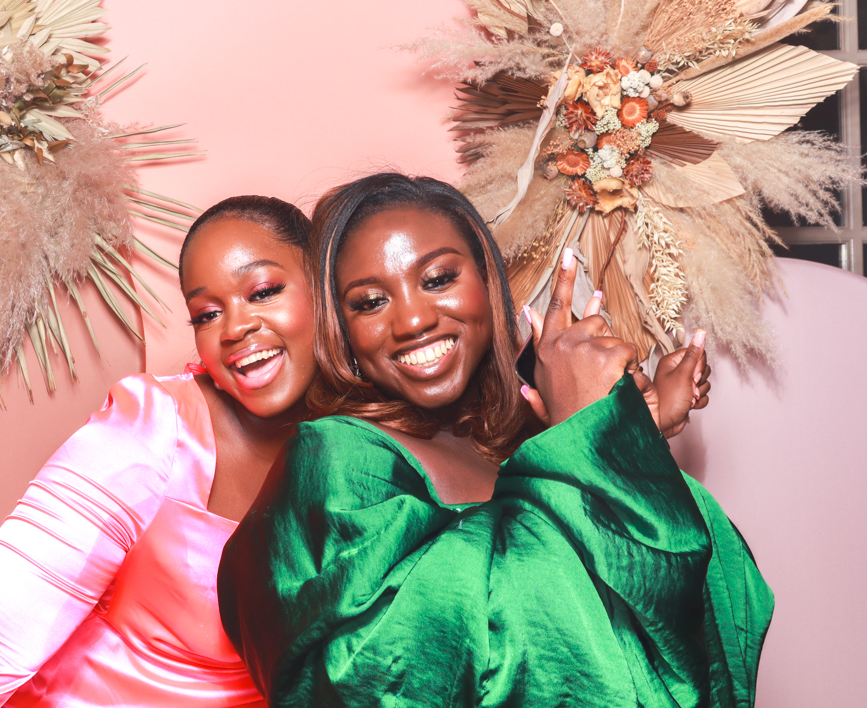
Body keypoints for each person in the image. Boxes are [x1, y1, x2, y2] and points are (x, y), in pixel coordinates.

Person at [218, 173, 772, 707]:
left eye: (438, 279)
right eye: (369, 302)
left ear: (488, 281)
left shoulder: (523, 435)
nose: (412, 320)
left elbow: (661, 619)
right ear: (340, 326)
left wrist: (629, 440)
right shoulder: (336, 459)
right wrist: (587, 443)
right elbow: (390, 671)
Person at [0, 195, 317, 708]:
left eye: (264, 291)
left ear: (324, 286)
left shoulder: (372, 439)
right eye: (205, 314)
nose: (234, 329)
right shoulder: (153, 429)